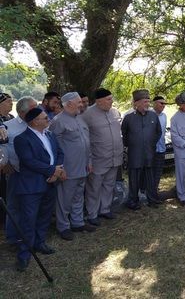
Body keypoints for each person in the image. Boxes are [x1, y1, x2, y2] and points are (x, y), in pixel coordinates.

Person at [14, 108, 66, 271]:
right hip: (31, 187)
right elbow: (29, 161)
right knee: (28, 220)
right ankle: (24, 254)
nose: (48, 119)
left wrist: (56, 170)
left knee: (44, 216)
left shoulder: (49, 134)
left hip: (50, 183)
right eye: (45, 118)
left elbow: (59, 152)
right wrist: (53, 171)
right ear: (35, 121)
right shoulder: (22, 139)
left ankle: (39, 243)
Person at [50, 92, 94, 240]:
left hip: (82, 166)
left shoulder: (80, 119)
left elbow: (86, 142)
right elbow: (54, 147)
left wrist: (89, 162)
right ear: (69, 104)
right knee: (64, 198)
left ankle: (77, 222)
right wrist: (60, 168)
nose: (82, 105)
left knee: (78, 196)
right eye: (79, 102)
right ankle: (63, 226)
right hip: (68, 168)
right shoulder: (58, 121)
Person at [81, 88, 123, 225]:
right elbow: (84, 138)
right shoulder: (87, 115)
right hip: (98, 158)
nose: (112, 101)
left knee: (109, 185)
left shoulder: (115, 112)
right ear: (99, 101)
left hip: (115, 157)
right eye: (108, 99)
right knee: (94, 187)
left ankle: (105, 209)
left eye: (111, 98)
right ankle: (92, 214)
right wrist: (89, 160)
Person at [2, 96, 38, 246]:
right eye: (34, 108)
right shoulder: (7, 126)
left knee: (32, 206)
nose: (38, 111)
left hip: (36, 172)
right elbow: (3, 148)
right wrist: (5, 164)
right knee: (14, 205)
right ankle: (12, 237)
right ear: (24, 111)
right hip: (16, 172)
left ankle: (31, 235)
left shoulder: (37, 123)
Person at [121, 89, 162, 210]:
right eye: (144, 102)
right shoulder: (128, 118)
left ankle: (152, 200)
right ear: (136, 103)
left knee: (150, 178)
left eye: (148, 101)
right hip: (135, 154)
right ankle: (133, 201)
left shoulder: (153, 115)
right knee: (134, 179)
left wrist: (151, 143)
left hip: (149, 152)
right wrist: (134, 145)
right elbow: (124, 135)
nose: (147, 104)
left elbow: (158, 132)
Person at [151, 95, 168, 201]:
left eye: (165, 104)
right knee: (150, 172)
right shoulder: (149, 114)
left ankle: (154, 192)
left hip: (161, 148)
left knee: (158, 172)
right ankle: (148, 193)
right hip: (151, 150)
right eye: (161, 103)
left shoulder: (164, 116)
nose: (163, 106)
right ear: (154, 103)